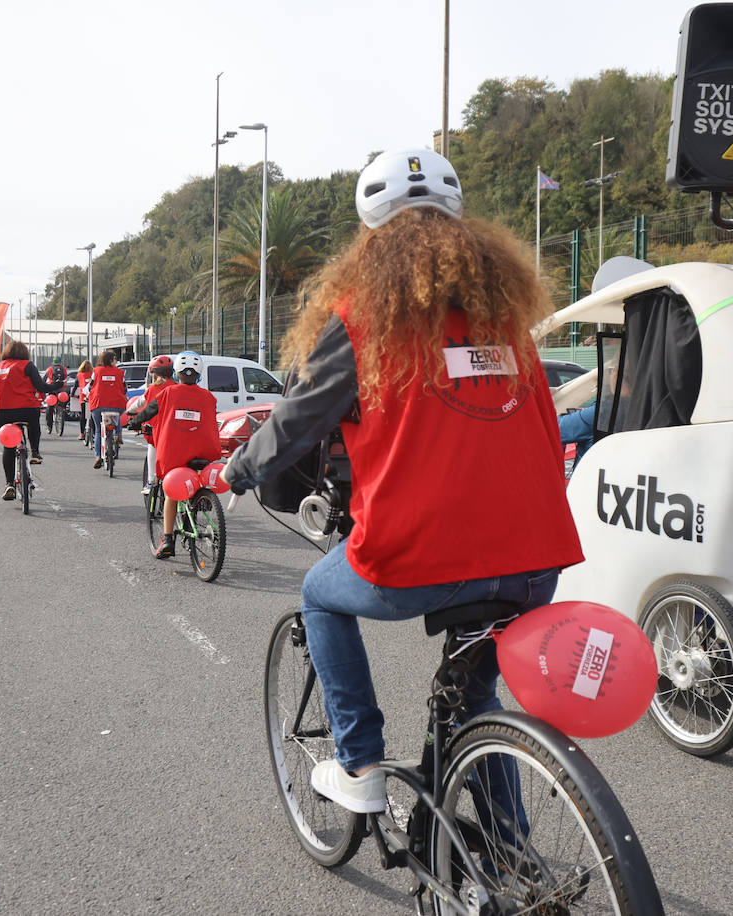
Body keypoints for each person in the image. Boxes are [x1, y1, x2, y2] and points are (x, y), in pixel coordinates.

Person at [220, 148, 582, 813]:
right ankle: (508, 862)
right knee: (475, 701)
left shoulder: (364, 321)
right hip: (538, 560)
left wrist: (237, 469)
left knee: (319, 594)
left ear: (371, 238)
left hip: (425, 557)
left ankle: (359, 764)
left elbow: (297, 418)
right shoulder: (507, 325)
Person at [127, 351, 221, 558]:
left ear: (177, 373)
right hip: (204, 452)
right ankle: (201, 503)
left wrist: (133, 422)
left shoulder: (168, 393)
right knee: (198, 480)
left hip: (176, 453)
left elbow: (148, 410)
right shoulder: (209, 397)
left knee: (171, 493)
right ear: (199, 375)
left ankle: (168, 539)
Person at [0, 341, 63, 499]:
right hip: (26, 408)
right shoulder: (27, 365)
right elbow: (41, 386)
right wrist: (57, 385)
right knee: (33, 425)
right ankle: (35, 452)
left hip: (2, 410)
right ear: (24, 352)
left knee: (8, 447)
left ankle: (9, 484)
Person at [133, 354, 175, 495]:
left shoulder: (152, 390)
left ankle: (151, 481)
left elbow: (141, 405)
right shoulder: (177, 387)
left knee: (152, 446)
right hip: (176, 431)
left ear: (155, 375)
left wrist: (129, 413)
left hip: (157, 432)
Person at [86, 350, 128, 469]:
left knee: (99, 430)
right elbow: (124, 388)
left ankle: (98, 456)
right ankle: (119, 434)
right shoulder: (120, 372)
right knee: (115, 414)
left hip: (98, 404)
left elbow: (90, 386)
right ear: (111, 360)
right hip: (117, 403)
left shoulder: (96, 371)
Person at [43, 358, 67, 433]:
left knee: (49, 407)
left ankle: (49, 426)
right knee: (62, 404)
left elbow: (43, 379)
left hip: (52, 389)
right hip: (61, 390)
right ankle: (61, 411)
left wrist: (44, 386)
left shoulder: (49, 369)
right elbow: (66, 378)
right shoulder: (63, 369)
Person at [74, 359, 93, 441]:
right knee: (92, 415)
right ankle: (94, 433)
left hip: (83, 397)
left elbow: (75, 386)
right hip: (92, 397)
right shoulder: (93, 374)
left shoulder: (79, 375)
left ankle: (82, 434)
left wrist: (72, 394)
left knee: (83, 416)